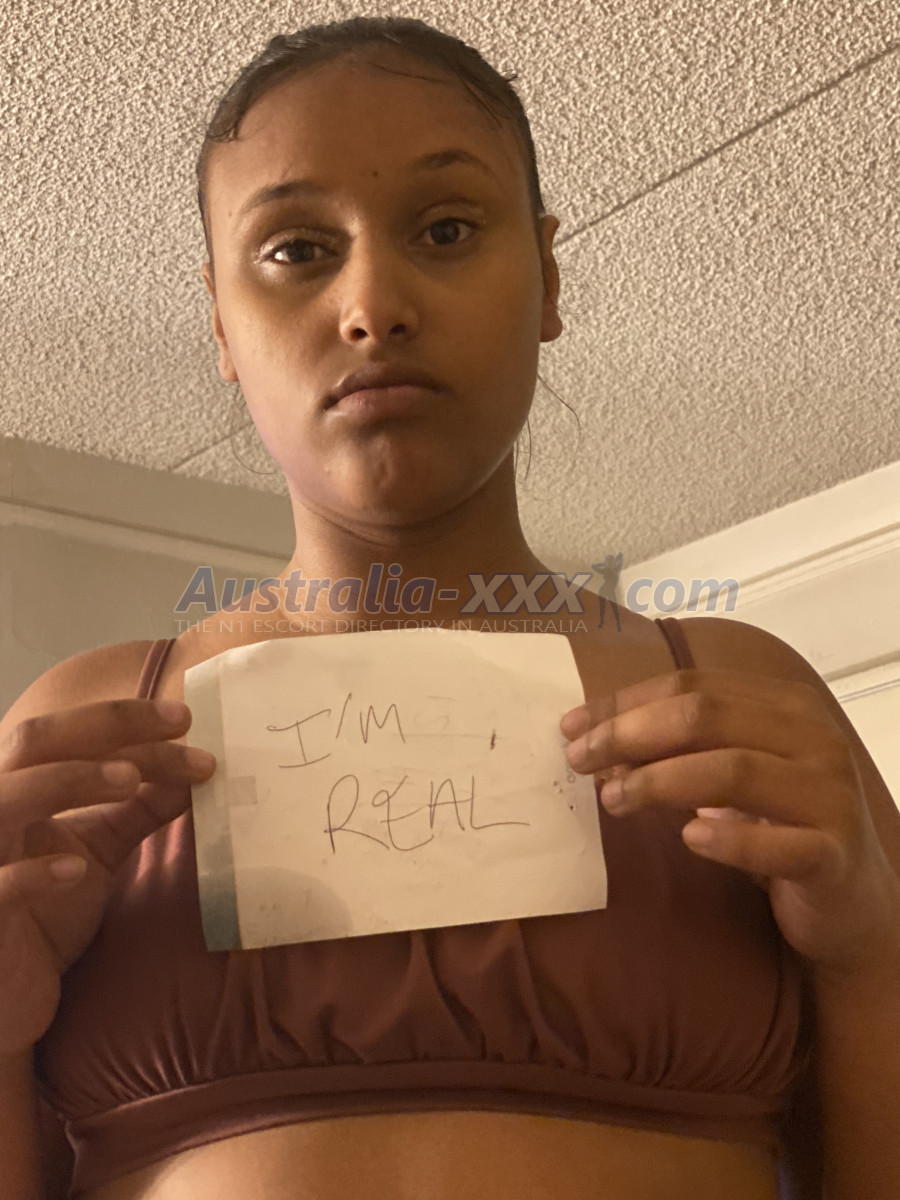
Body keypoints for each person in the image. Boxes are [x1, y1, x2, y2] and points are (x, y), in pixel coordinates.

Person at [1, 17, 899, 1200]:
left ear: (548, 280)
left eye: (445, 229)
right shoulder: (80, 733)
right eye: (296, 250)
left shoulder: (746, 696)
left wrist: (873, 954)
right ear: (220, 322)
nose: (373, 304)